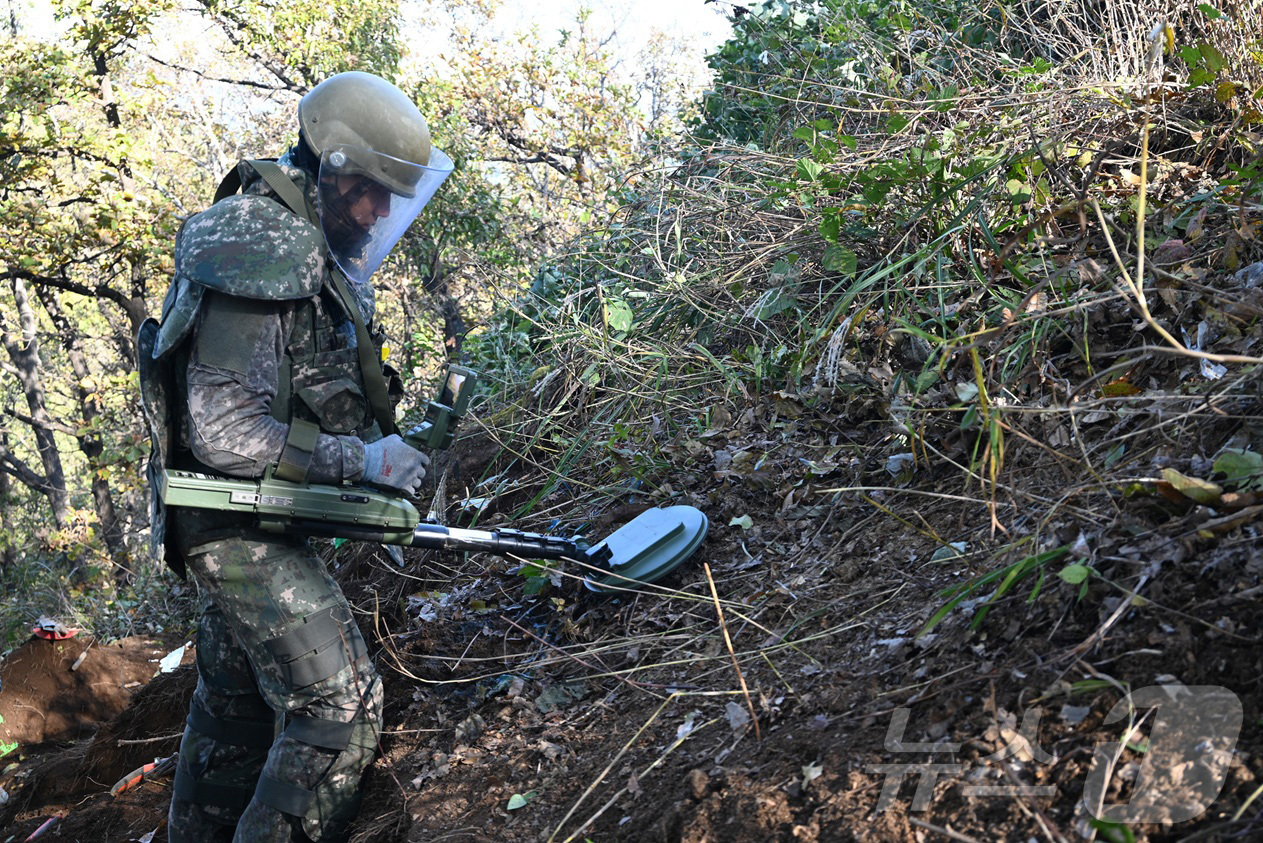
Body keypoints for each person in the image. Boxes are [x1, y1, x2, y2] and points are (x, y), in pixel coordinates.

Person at [144, 71, 453, 842]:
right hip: (231, 522)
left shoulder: (298, 236)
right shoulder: (261, 239)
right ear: (335, 169)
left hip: (248, 515)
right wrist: (362, 461)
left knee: (238, 711)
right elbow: (223, 429)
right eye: (372, 192)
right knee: (339, 707)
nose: (380, 212)